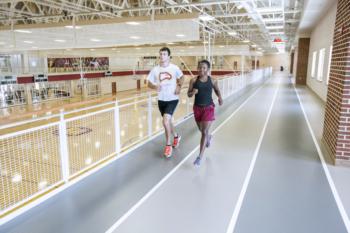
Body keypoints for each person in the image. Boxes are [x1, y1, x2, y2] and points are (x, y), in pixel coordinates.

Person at [147, 47, 184, 158]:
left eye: (164, 54)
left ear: (168, 56)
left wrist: (179, 86)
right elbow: (148, 83)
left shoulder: (174, 68)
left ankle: (168, 145)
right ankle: (176, 136)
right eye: (161, 54)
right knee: (168, 122)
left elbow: (182, 77)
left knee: (165, 121)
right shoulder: (155, 69)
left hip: (172, 98)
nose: (162, 56)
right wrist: (154, 86)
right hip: (161, 100)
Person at [187, 60, 223, 166]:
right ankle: (209, 137)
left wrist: (220, 97)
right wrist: (192, 92)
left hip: (209, 108)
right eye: (199, 67)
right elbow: (188, 94)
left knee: (203, 132)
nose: (201, 70)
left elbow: (216, 90)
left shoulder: (213, 81)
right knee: (201, 130)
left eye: (203, 68)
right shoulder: (193, 80)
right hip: (197, 109)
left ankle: (199, 157)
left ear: (208, 69)